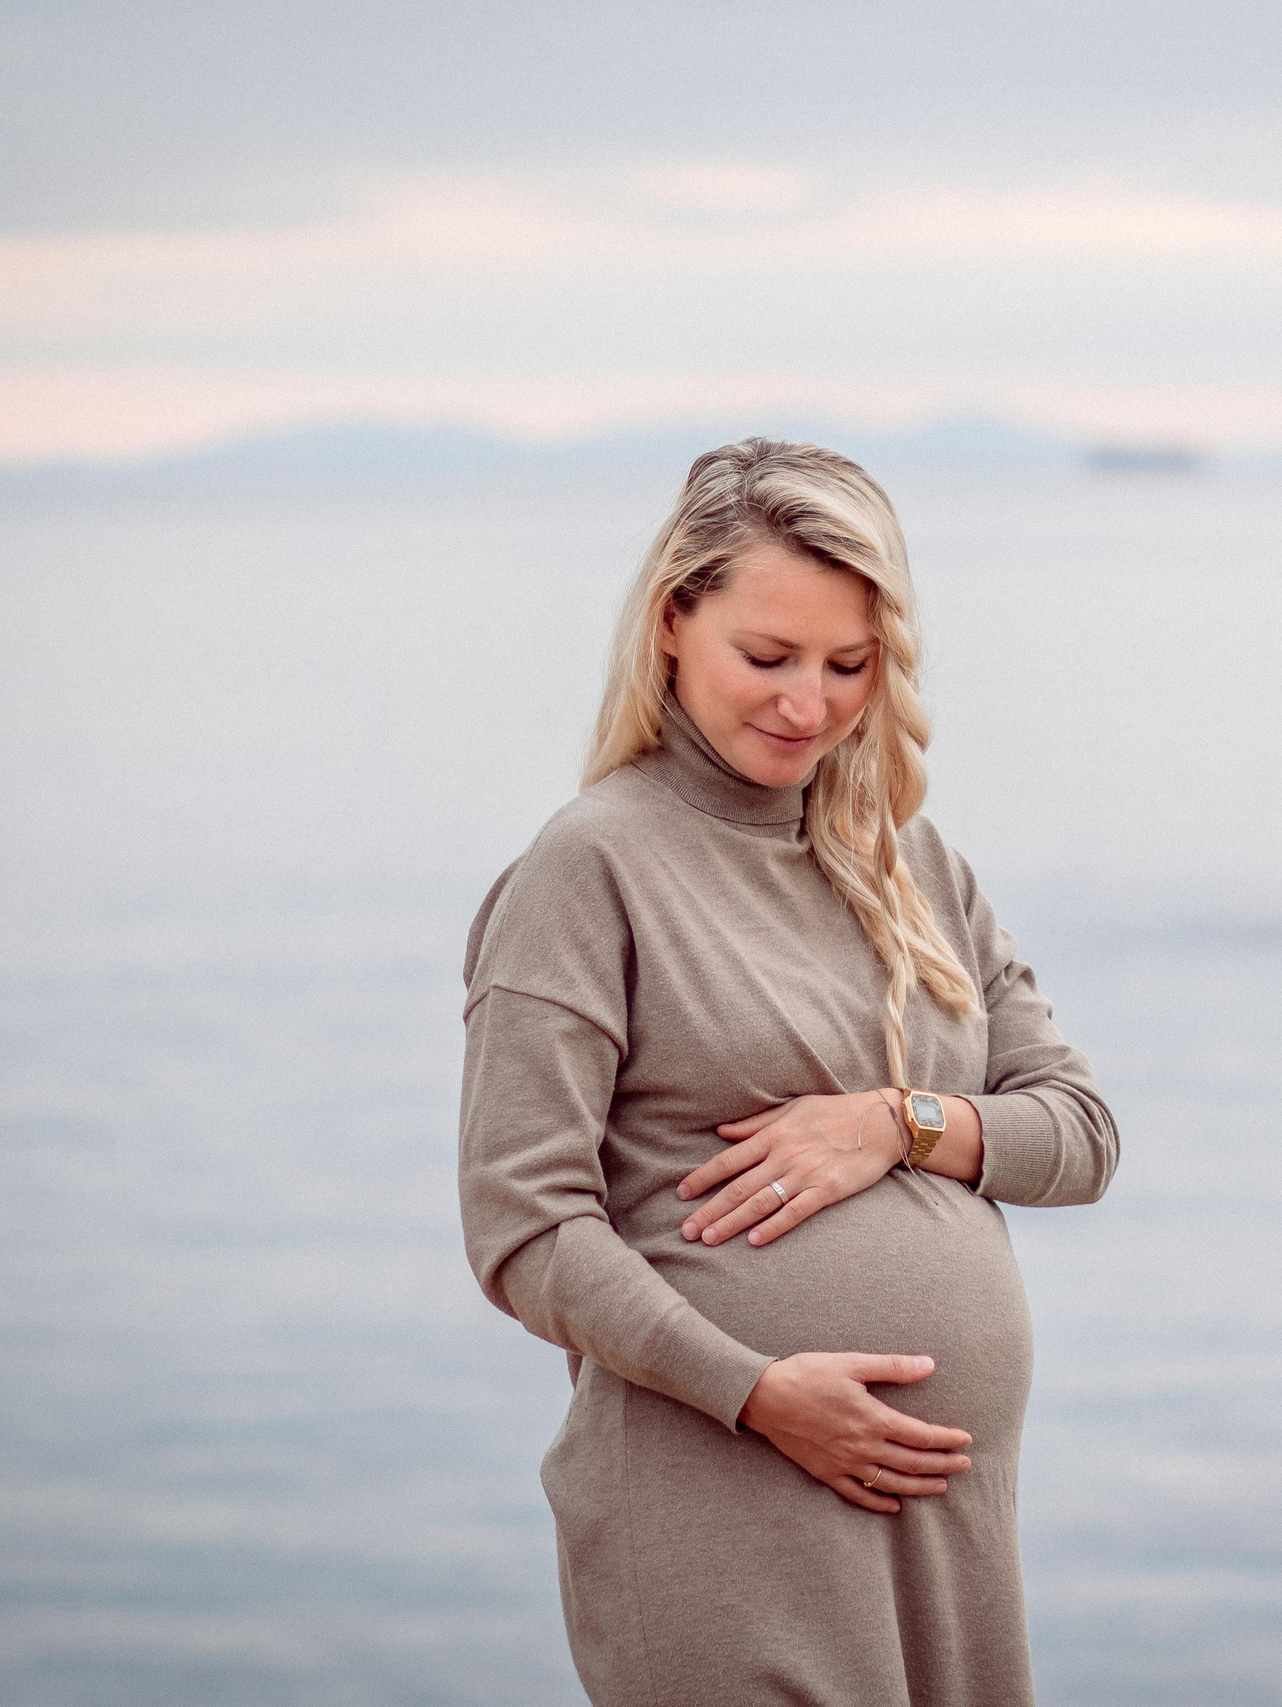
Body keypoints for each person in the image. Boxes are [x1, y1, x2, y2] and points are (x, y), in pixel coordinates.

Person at [457, 437, 1119, 1706]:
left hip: (946, 1523)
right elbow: (521, 1227)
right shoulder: (588, 871)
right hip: (718, 1501)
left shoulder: (912, 865)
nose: (806, 705)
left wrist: (901, 1123)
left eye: (848, 665)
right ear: (671, 625)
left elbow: (1080, 1134)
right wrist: (755, 1392)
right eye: (766, 658)